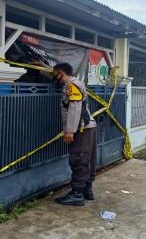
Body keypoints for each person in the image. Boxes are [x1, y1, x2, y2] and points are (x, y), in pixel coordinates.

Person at [53, 63, 97, 206]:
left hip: (81, 128)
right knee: (87, 159)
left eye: (55, 74)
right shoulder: (75, 83)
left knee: (79, 159)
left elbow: (75, 107)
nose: (54, 77)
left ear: (61, 72)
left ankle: (77, 194)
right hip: (87, 127)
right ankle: (87, 191)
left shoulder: (72, 85)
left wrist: (70, 131)